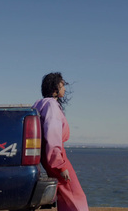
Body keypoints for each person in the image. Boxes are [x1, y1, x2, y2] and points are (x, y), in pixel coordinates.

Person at [33, 72, 89, 211]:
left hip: (46, 157)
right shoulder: (51, 105)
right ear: (54, 89)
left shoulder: (39, 104)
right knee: (75, 194)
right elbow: (53, 135)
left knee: (64, 195)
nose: (64, 89)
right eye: (62, 85)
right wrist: (60, 165)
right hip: (56, 156)